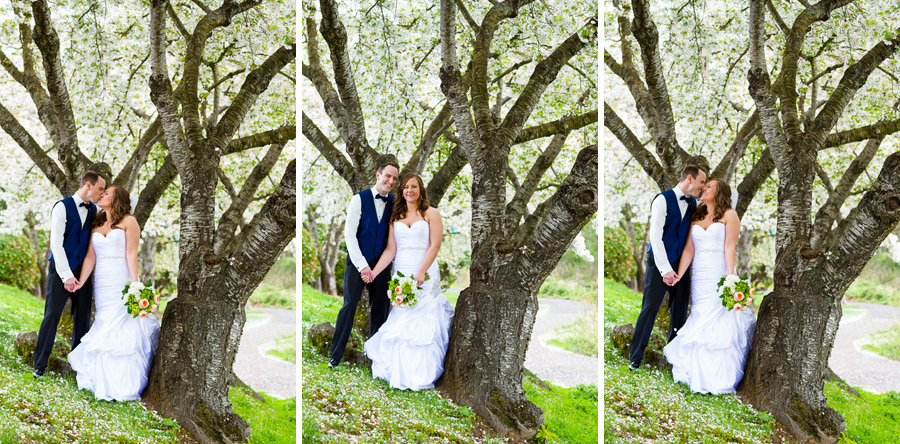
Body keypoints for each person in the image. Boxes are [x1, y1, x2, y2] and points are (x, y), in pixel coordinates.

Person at [66, 186, 161, 401]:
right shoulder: (97, 223)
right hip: (102, 280)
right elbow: (91, 257)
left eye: (106, 193)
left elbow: (131, 255)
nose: (102, 195)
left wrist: (135, 285)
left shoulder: (129, 221)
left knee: (123, 322)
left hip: (121, 277)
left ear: (116, 199)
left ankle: (124, 382)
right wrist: (81, 281)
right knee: (104, 319)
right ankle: (99, 378)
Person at [663, 179, 756, 394]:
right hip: (699, 273)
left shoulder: (729, 215)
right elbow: (688, 250)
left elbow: (730, 247)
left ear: (719, 192)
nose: (704, 189)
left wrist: (730, 278)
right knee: (700, 313)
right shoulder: (696, 213)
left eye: (709, 187)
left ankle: (718, 376)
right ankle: (694, 371)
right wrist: (679, 275)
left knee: (718, 316)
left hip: (718, 270)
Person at [364, 174, 454, 390]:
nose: (409, 190)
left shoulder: (432, 214)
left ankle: (423, 373)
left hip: (424, 270)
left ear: (420, 189)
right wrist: (374, 272)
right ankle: (397, 370)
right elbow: (391, 250)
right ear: (401, 191)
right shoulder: (396, 216)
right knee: (402, 318)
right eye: (405, 187)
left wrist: (421, 272)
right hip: (402, 270)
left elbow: (435, 245)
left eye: (414, 186)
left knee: (423, 318)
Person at [629, 164, 706, 370]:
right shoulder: (662, 200)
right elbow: (655, 236)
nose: (702, 186)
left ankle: (673, 357)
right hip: (659, 261)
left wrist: (678, 270)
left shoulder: (694, 205)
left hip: (681, 265)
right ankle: (635, 357)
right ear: (689, 178)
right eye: (701, 182)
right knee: (650, 308)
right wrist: (665, 269)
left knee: (679, 310)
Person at [33, 171, 105, 378]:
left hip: (83, 272)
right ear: (88, 185)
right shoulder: (61, 207)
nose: (102, 194)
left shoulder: (96, 211)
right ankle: (40, 364)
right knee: (52, 315)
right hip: (60, 268)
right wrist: (66, 276)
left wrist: (79, 277)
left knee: (82, 317)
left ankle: (77, 366)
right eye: (100, 188)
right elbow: (56, 244)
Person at [329, 162, 400, 368]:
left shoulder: (395, 203)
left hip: (382, 265)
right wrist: (362, 267)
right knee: (349, 305)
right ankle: (335, 355)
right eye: (387, 176)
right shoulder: (358, 199)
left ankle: (375, 358)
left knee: (381, 307)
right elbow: (350, 236)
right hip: (358, 262)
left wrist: (376, 269)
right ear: (378, 175)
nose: (391, 181)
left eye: (394, 179)